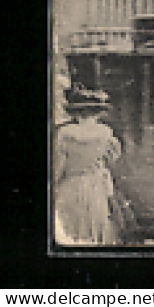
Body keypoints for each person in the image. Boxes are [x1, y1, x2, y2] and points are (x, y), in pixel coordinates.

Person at [54, 88, 123, 245]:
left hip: (71, 185)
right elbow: (112, 161)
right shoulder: (105, 132)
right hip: (96, 186)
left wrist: (55, 184)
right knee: (95, 228)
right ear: (98, 113)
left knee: (71, 229)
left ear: (75, 113)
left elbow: (59, 167)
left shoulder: (64, 133)